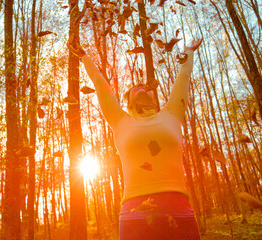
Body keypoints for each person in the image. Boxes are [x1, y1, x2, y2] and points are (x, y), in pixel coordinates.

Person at [68, 36, 203, 240]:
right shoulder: (120, 120)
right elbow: (99, 83)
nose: (141, 87)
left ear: (154, 98)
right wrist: (84, 56)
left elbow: (183, 79)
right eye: (134, 88)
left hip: (179, 212)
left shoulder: (171, 114)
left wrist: (190, 51)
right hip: (135, 217)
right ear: (128, 102)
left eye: (146, 87)